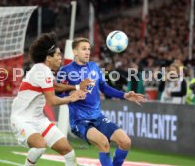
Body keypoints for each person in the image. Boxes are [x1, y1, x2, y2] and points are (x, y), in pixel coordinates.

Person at [57, 37, 146, 166]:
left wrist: (125, 95)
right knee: (103, 142)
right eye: (83, 49)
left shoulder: (94, 67)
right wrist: (70, 93)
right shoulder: (65, 71)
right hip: (80, 120)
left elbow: (104, 87)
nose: (87, 52)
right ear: (75, 52)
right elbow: (56, 92)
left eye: (88, 49)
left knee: (125, 141)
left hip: (97, 117)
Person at [10, 32, 86, 166]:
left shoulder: (43, 70)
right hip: (21, 119)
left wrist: (77, 86)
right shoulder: (42, 71)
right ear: (48, 58)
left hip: (38, 119)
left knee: (68, 151)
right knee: (40, 145)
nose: (60, 58)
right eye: (57, 55)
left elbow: (54, 86)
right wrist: (71, 98)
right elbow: (52, 101)